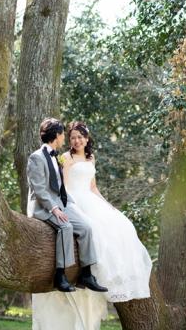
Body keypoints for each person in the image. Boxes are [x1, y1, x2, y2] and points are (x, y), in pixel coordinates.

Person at [30, 119, 152, 330]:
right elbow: (63, 188)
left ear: (87, 139)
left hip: (89, 197)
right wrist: (69, 207)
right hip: (72, 200)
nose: (75, 140)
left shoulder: (91, 158)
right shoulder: (64, 158)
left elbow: (93, 187)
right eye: (72, 137)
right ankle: (81, 272)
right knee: (91, 227)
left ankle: (104, 275)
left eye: (80, 137)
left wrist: (107, 205)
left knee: (122, 225)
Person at [27, 117, 108, 293]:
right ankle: (60, 275)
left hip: (62, 203)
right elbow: (39, 190)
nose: (65, 138)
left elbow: (61, 187)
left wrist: (70, 205)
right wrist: (55, 209)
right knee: (65, 227)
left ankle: (86, 274)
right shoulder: (36, 157)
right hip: (43, 206)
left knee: (87, 227)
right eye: (64, 134)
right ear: (57, 135)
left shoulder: (57, 157)